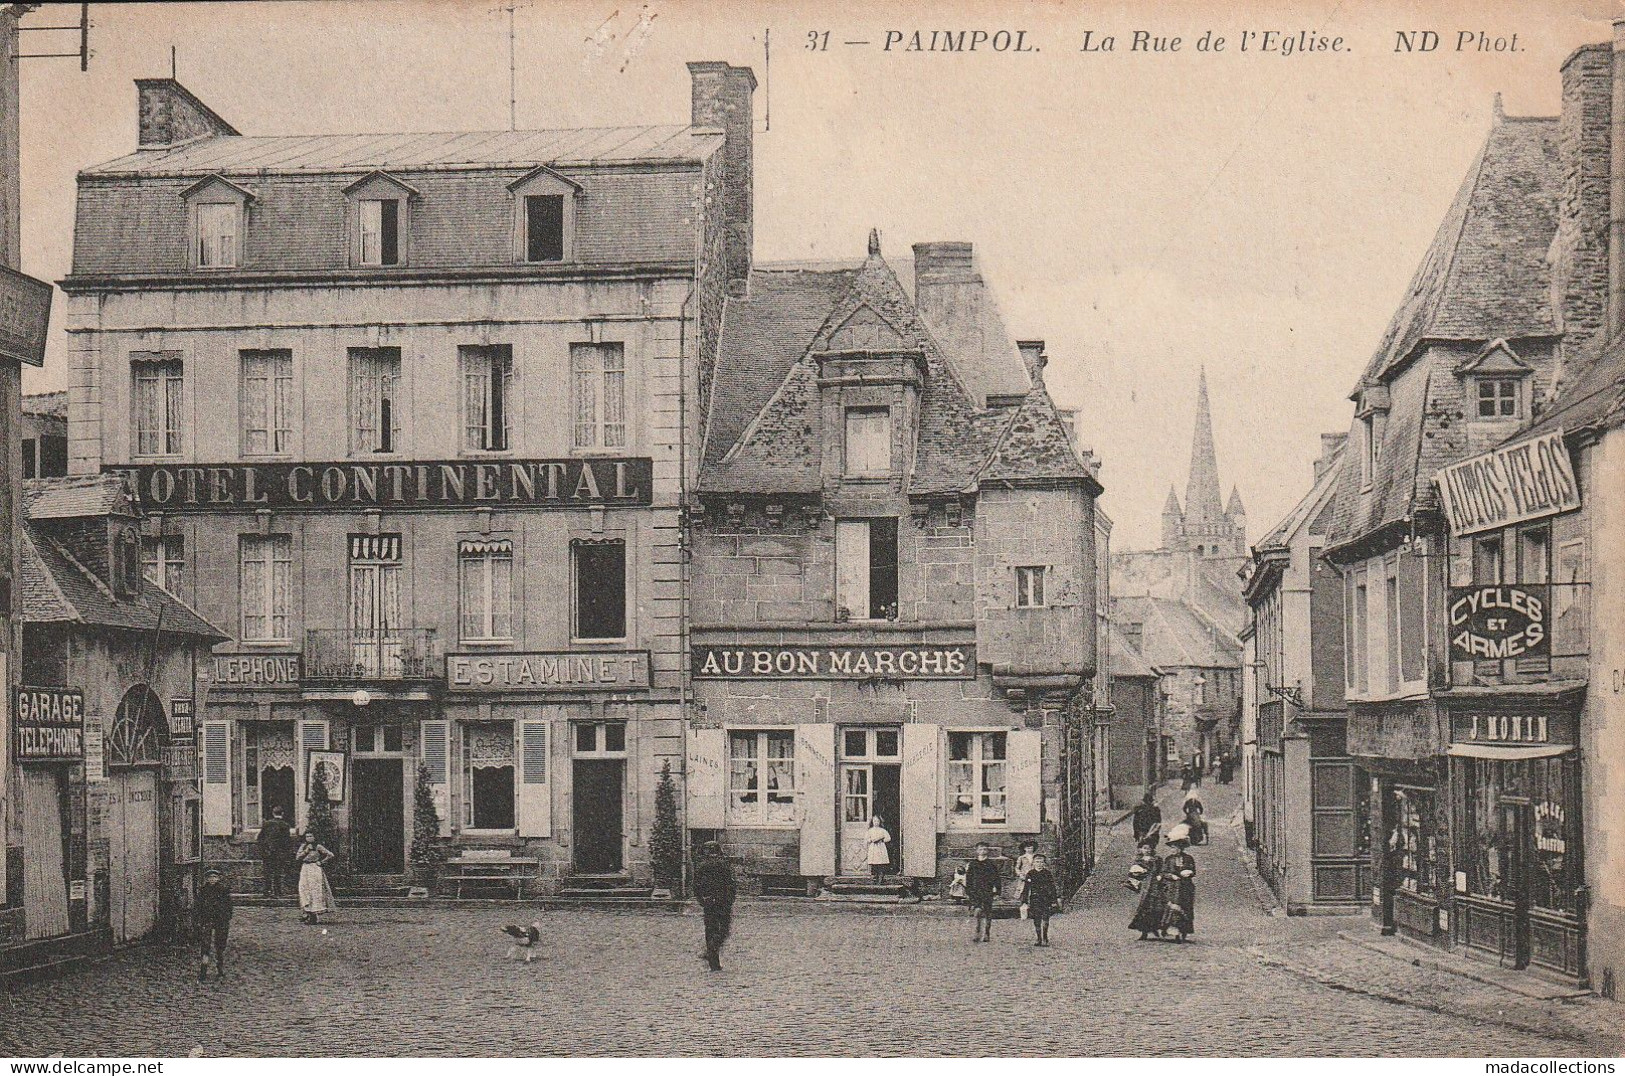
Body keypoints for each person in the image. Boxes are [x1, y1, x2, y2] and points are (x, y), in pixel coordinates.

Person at [693, 840, 736, 971]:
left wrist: (701, 900)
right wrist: (730, 900)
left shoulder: (701, 866)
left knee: (710, 930)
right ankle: (712, 949)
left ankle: (713, 962)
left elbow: (696, 886)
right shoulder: (724, 865)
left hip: (709, 902)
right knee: (723, 930)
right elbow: (731, 884)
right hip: (723, 902)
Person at [1161, 825, 1198, 942]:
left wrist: (1188, 873)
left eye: (1176, 847)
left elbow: (1193, 871)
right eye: (1172, 847)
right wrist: (1171, 876)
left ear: (1181, 848)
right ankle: (1174, 932)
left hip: (1186, 887)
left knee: (1185, 908)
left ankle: (1184, 931)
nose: (1173, 850)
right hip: (1172, 888)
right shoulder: (1168, 859)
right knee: (1173, 909)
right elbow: (1163, 872)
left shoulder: (1189, 858)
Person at [1127, 840, 1170, 940]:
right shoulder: (1139, 861)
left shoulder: (1157, 859)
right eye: (1144, 848)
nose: (1147, 850)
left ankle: (1159, 928)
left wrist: (1160, 876)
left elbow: (1163, 870)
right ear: (1141, 849)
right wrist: (1136, 874)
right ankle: (1144, 932)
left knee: (1157, 907)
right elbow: (1132, 874)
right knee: (1144, 908)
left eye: (1149, 848)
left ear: (1152, 849)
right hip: (1145, 886)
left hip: (1156, 886)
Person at [195, 868, 233, 981]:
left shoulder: (223, 891)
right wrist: (199, 919)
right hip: (207, 920)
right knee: (205, 945)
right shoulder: (203, 891)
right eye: (210, 877)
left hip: (220, 921)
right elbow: (198, 906)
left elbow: (229, 907)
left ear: (218, 878)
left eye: (214, 877)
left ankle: (220, 968)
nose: (212, 879)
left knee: (220, 945)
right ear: (207, 879)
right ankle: (203, 970)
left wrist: (225, 919)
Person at [294, 832, 336, 924]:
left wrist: (321, 862)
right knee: (304, 889)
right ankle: (307, 912)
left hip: (315, 868)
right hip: (305, 868)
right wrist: (306, 851)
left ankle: (314, 915)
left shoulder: (318, 846)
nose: (309, 838)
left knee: (314, 890)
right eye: (307, 836)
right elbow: (298, 857)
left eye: (311, 836)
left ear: (314, 837)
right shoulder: (303, 846)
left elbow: (330, 855)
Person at [964, 841, 1002, 943]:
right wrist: (968, 891)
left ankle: (986, 933)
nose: (982, 851)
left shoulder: (991, 864)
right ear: (977, 851)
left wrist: (997, 891)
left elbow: (996, 878)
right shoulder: (973, 864)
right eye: (980, 849)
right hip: (976, 891)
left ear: (987, 851)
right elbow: (969, 878)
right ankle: (977, 932)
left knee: (987, 912)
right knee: (977, 911)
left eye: (985, 849)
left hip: (987, 891)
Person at [1020, 852, 1060, 947]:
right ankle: (1039, 938)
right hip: (1035, 899)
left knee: (1045, 918)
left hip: (1046, 899)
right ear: (1033, 863)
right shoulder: (1030, 874)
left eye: (1041, 862)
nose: (1039, 864)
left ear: (1044, 863)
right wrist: (1024, 901)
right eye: (1037, 862)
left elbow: (1052, 887)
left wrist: (1054, 900)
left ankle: (1045, 938)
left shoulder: (1047, 873)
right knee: (1036, 919)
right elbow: (1026, 888)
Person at [256, 805, 294, 898]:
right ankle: (278, 892)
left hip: (267, 853)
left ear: (273, 813)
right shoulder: (285, 825)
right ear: (282, 814)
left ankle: (267, 892)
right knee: (278, 872)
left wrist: (264, 850)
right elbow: (287, 841)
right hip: (279, 853)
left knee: (267, 873)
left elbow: (260, 838)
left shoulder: (266, 824)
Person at [866, 814, 893, 882]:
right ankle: (875, 877)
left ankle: (881, 878)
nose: (876, 822)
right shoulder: (870, 830)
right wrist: (871, 840)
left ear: (880, 822)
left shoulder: (882, 830)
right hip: (874, 848)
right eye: (874, 821)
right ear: (872, 822)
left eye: (877, 821)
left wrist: (882, 840)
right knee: (874, 862)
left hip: (880, 847)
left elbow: (888, 838)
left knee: (881, 862)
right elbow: (867, 839)